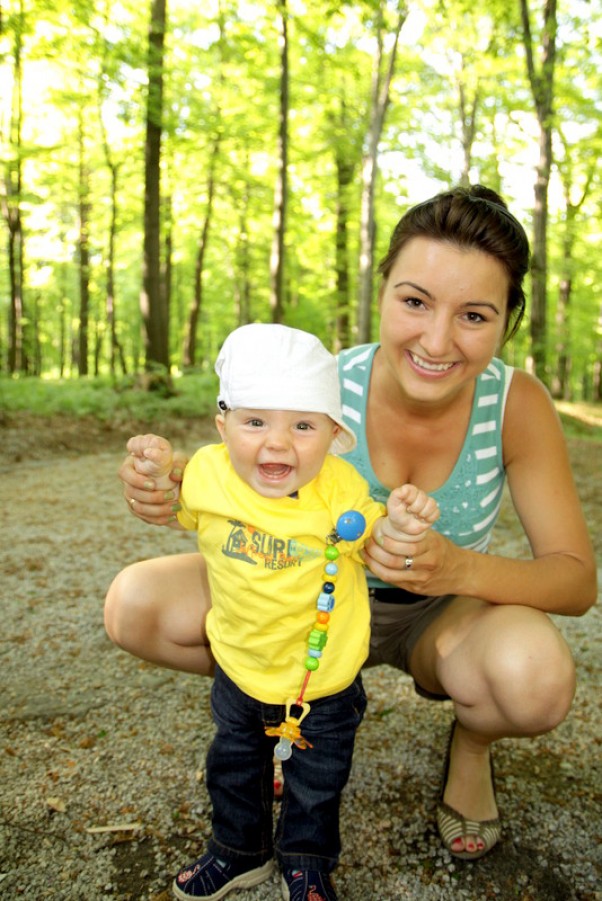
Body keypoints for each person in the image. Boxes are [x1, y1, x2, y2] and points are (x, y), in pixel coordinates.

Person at [106, 186, 597, 870]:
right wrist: (167, 483)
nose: (435, 339)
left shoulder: (516, 402)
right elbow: (238, 466)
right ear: (383, 291)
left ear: (508, 322)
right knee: (135, 604)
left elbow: (574, 579)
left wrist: (453, 568)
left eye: (474, 315)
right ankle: (278, 713)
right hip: (304, 602)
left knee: (535, 678)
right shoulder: (325, 382)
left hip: (438, 616)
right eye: (415, 300)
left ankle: (473, 746)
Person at [117, 323, 439, 901]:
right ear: (223, 425)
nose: (277, 443)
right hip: (239, 666)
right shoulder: (210, 474)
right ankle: (239, 851)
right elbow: (168, 495)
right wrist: (154, 469)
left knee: (317, 782)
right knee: (234, 768)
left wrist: (403, 523)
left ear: (334, 433)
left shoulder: (339, 489)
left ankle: (307, 859)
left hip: (325, 680)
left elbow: (376, 537)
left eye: (304, 425)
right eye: (255, 421)